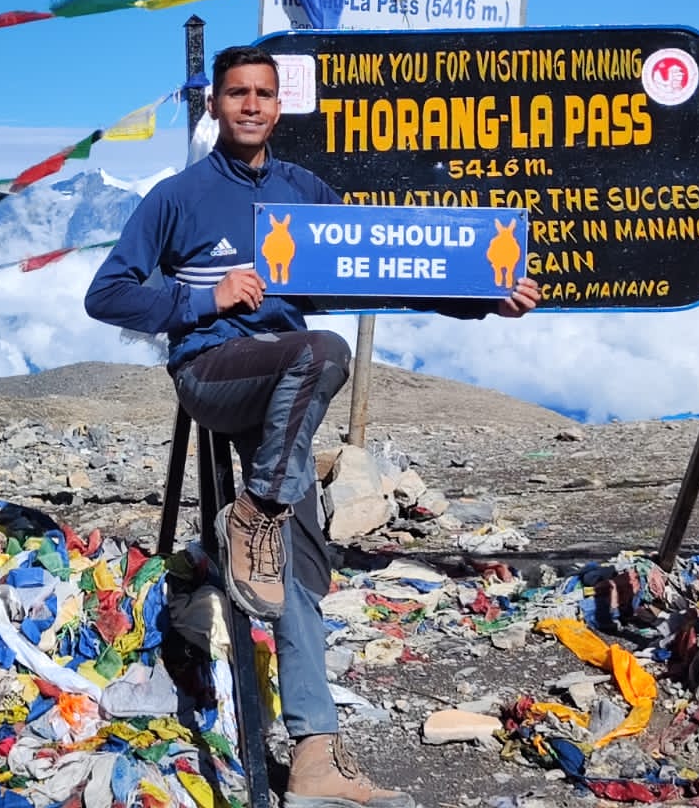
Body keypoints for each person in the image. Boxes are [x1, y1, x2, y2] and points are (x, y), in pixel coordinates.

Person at [85, 45, 540, 808]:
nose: (252, 105)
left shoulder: (304, 193)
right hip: (213, 373)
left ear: (280, 105)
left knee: (295, 567)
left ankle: (316, 757)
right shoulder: (177, 196)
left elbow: (384, 271)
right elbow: (109, 294)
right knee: (325, 351)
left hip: (286, 394)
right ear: (215, 106)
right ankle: (258, 511)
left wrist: (482, 297)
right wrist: (204, 301)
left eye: (264, 93)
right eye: (237, 94)